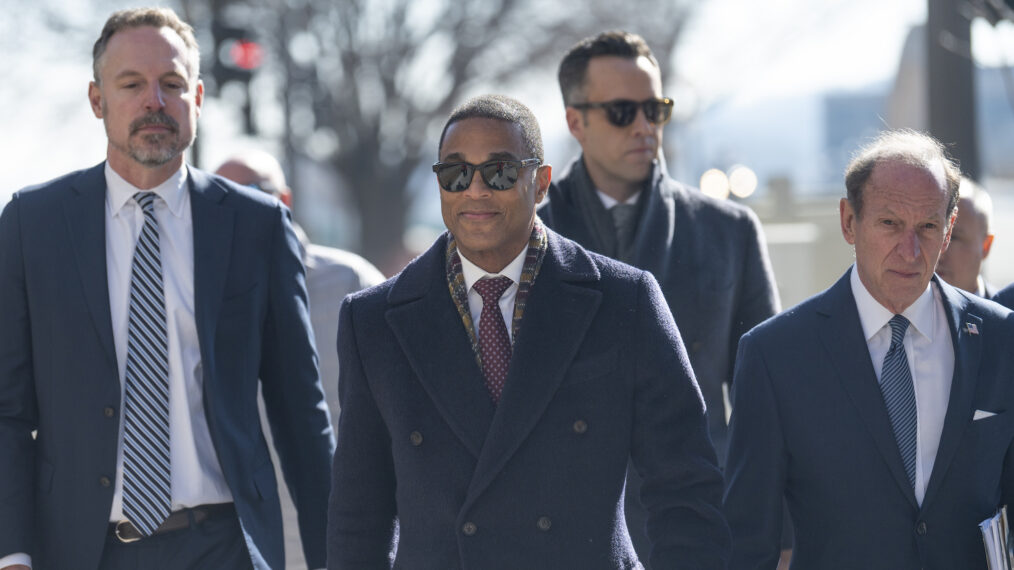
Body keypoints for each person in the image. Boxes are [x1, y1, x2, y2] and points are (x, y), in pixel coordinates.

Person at [326, 94, 730, 569]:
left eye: (498, 171)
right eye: (456, 174)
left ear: (540, 183)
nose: (475, 190)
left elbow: (685, 488)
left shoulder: (625, 301)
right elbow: (359, 514)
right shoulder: (373, 321)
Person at [0, 8, 334, 570]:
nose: (155, 100)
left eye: (173, 84)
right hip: (84, 551)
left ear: (198, 98)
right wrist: (13, 553)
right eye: (131, 84)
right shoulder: (32, 224)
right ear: (97, 100)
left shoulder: (256, 227)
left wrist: (338, 554)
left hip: (226, 546)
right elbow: (6, 410)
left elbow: (301, 410)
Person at [537, 30, 780, 559]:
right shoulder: (532, 235)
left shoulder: (728, 230)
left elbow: (763, 402)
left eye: (656, 108)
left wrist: (775, 531)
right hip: (562, 531)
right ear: (575, 121)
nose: (645, 127)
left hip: (699, 524)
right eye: (624, 111)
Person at [723, 130, 1014, 569]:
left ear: (949, 227)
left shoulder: (1001, 338)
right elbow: (748, 542)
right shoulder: (775, 356)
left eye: (928, 227)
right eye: (890, 224)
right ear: (848, 222)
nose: (910, 250)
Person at [215, 150, 384, 567]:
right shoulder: (199, 304)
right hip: (247, 546)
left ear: (285, 200)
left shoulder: (351, 282)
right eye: (221, 199)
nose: (239, 208)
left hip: (350, 536)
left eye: (254, 192)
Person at [935, 177, 997, 298]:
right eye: (929, 229)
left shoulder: (1007, 314)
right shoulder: (896, 314)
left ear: (986, 245)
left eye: (953, 237)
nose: (938, 250)